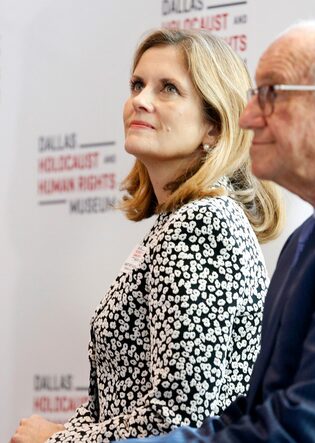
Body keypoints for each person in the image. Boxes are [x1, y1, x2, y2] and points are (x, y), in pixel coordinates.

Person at [117, 17, 315, 443]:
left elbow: (307, 430)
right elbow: (254, 411)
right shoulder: (313, 233)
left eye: (269, 95)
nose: (245, 118)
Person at [9, 29, 285, 443]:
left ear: (213, 127)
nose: (140, 99)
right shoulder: (181, 220)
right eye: (137, 84)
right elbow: (128, 402)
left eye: (168, 88)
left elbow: (183, 414)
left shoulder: (202, 224)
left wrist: (55, 441)